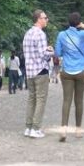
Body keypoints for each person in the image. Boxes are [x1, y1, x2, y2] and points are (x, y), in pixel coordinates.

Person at [53, 12, 84, 142]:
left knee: (66, 100)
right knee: (79, 101)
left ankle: (63, 130)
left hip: (66, 71)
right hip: (81, 71)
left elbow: (58, 53)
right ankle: (78, 130)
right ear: (78, 23)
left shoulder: (61, 35)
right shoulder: (82, 35)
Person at [21, 9, 54, 138]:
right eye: (45, 18)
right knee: (41, 99)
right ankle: (36, 128)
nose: (47, 20)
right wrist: (53, 52)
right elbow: (43, 55)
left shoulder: (28, 33)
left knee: (31, 99)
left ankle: (28, 128)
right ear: (39, 19)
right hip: (40, 70)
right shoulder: (40, 34)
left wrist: (46, 49)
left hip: (29, 71)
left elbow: (32, 52)